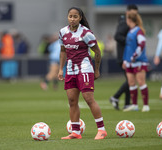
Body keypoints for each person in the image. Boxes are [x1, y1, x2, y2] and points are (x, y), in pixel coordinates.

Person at [58, 7, 107, 140]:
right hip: (70, 69)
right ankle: (75, 132)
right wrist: (60, 69)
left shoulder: (86, 33)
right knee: (72, 100)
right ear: (67, 17)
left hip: (84, 68)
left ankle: (102, 130)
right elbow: (63, 51)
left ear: (80, 18)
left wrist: (96, 70)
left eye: (75, 16)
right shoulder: (63, 32)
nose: (72, 19)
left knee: (88, 99)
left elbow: (97, 51)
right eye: (70, 16)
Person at [109, 5, 138, 110]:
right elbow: (117, 36)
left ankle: (126, 103)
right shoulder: (125, 22)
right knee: (131, 80)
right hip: (123, 56)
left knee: (130, 80)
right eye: (133, 13)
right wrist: (130, 41)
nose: (134, 15)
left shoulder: (127, 21)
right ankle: (115, 97)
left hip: (126, 56)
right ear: (128, 12)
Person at [122, 11, 150, 112]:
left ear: (129, 20)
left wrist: (135, 56)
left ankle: (146, 105)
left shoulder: (139, 31)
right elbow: (127, 47)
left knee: (141, 82)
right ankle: (134, 105)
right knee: (131, 82)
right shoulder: (130, 31)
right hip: (129, 62)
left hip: (139, 61)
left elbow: (142, 44)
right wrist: (125, 60)